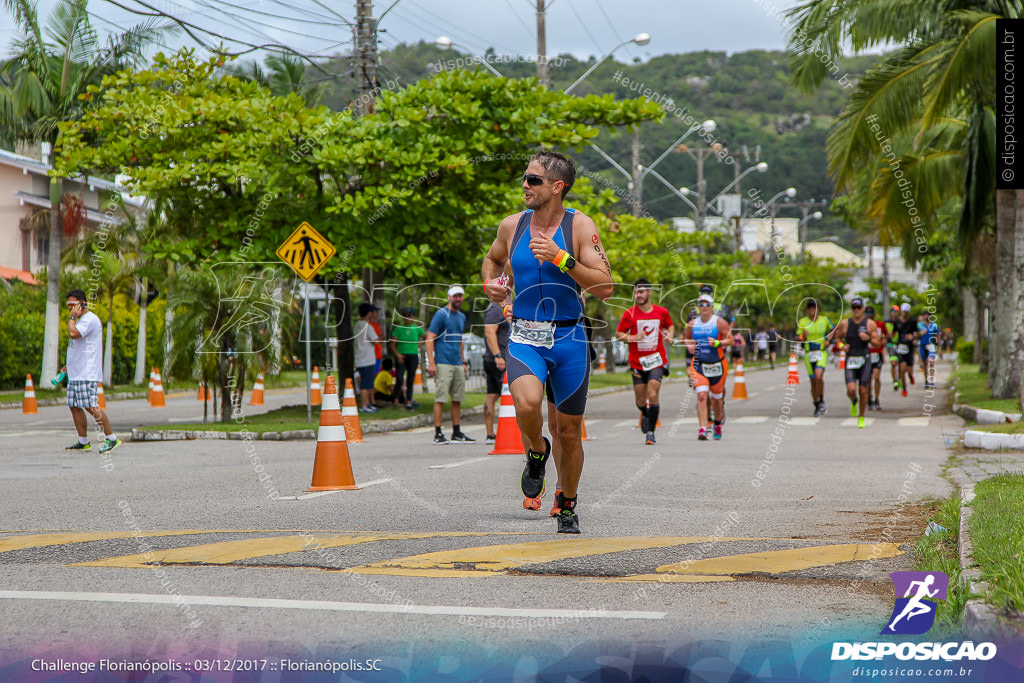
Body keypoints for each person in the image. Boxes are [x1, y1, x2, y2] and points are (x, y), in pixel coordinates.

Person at [482, 150, 613, 534]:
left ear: (557, 187)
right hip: (524, 333)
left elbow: (605, 286)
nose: (525, 184)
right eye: (525, 178)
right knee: (526, 402)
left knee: (569, 432)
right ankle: (537, 451)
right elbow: (492, 260)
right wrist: (491, 285)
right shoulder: (512, 225)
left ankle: (567, 503)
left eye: (534, 180)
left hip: (569, 336)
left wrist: (562, 259)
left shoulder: (579, 227)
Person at [616, 278, 674, 445]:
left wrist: (669, 334)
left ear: (649, 292)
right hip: (637, 362)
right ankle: (648, 415)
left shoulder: (661, 312)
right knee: (640, 401)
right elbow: (619, 334)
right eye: (636, 292)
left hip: (656, 360)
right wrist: (633, 337)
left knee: (652, 394)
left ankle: (650, 432)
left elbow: (670, 326)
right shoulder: (630, 314)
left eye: (641, 292)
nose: (638, 295)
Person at [62, 290, 120, 453]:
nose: (70, 309)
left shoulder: (89, 320)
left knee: (90, 405)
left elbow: (73, 334)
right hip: (76, 372)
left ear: (81, 304)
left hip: (87, 373)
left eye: (72, 305)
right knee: (74, 405)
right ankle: (83, 441)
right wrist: (69, 365)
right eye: (68, 306)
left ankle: (111, 438)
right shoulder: (81, 321)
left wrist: (72, 318)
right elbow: (78, 346)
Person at [426, 285, 474, 444]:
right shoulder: (441, 314)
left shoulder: (461, 316)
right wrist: (432, 362)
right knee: (440, 398)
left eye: (460, 296)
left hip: (457, 362)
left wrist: (464, 361)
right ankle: (438, 433)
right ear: (449, 297)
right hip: (443, 362)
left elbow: (459, 339)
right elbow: (429, 338)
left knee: (457, 398)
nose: (458, 299)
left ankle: (457, 431)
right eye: (455, 296)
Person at [682, 293, 732, 440]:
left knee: (716, 399)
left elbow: (730, 340)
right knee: (702, 395)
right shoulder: (692, 324)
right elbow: (687, 338)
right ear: (698, 307)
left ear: (712, 307)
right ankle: (703, 428)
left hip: (717, 364)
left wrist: (717, 343)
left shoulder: (719, 322)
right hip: (699, 364)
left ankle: (717, 422)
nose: (704, 307)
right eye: (701, 304)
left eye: (707, 304)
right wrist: (689, 345)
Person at [827, 297, 881, 428]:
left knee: (863, 390)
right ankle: (853, 401)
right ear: (851, 309)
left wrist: (868, 338)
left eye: (858, 307)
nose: (856, 310)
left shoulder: (870, 324)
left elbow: (878, 343)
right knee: (851, 390)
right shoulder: (845, 323)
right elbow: (838, 338)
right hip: (850, 359)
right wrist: (842, 346)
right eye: (853, 307)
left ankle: (861, 417)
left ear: (863, 308)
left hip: (864, 358)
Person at [797, 300, 834, 416]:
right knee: (813, 382)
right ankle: (817, 403)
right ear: (807, 309)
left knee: (819, 376)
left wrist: (828, 340)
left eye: (814, 307)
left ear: (818, 309)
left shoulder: (824, 320)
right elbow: (798, 337)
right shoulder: (803, 321)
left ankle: (822, 400)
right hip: (809, 353)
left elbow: (834, 330)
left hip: (821, 352)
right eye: (810, 307)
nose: (812, 309)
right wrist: (803, 336)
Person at [483, 299, 511, 445]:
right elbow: (489, 332)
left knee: (492, 395)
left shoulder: (502, 308)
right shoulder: (495, 309)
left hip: (495, 358)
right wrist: (497, 356)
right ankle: (494, 433)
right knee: (510, 396)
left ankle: (490, 434)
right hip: (498, 360)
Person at [390, 307, 424, 409]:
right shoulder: (399, 329)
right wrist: (398, 355)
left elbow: (427, 337)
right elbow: (392, 344)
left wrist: (417, 345)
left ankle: (408, 401)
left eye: (410, 315)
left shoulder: (417, 328)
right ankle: (396, 400)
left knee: (410, 379)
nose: (407, 317)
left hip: (413, 356)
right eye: (405, 315)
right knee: (399, 378)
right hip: (401, 356)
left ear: (413, 317)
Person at [353, 302, 381, 413]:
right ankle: (364, 405)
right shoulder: (368, 327)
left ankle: (368, 404)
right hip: (367, 359)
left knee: (368, 382)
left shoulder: (357, 325)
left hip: (360, 358)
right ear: (369, 313)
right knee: (365, 383)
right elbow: (376, 341)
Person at [892, 303, 918, 397]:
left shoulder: (912, 321)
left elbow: (917, 333)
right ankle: (904, 388)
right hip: (900, 347)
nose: (904, 313)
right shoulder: (896, 322)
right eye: (903, 311)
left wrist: (913, 336)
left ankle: (911, 376)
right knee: (902, 368)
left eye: (906, 312)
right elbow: (893, 333)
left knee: (909, 370)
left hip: (909, 347)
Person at [864, 306, 887, 411]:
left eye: (871, 314)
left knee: (877, 377)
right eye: (867, 315)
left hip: (877, 354)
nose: (869, 316)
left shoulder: (880, 325)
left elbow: (885, 335)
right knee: (868, 378)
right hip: (867, 354)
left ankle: (877, 399)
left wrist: (884, 342)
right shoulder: (863, 325)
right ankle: (869, 398)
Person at [919, 313, 940, 390]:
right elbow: (915, 334)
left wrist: (940, 348)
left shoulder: (934, 325)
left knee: (931, 363)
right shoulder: (920, 325)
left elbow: (937, 336)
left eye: (927, 315)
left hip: (931, 345)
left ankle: (932, 381)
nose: (926, 316)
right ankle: (926, 381)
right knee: (924, 364)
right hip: (922, 346)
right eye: (925, 315)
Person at [886, 305, 900, 391]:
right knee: (893, 363)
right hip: (890, 344)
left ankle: (899, 378)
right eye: (892, 311)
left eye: (895, 312)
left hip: (900, 344)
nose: (894, 313)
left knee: (901, 364)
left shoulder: (900, 322)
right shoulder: (887, 323)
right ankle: (895, 380)